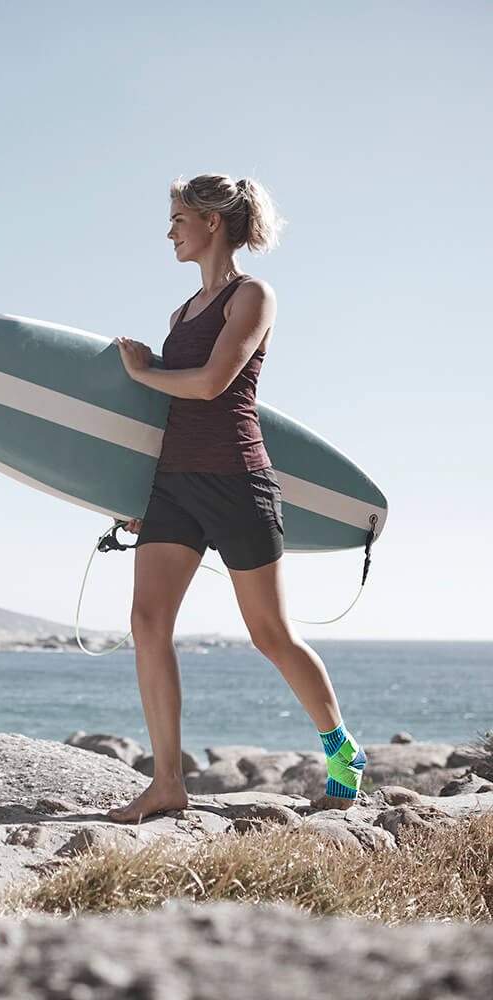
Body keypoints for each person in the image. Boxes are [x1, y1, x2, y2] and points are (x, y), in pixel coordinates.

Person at [108, 173, 365, 823]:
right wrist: (123, 490)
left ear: (212, 223)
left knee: (270, 633)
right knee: (146, 624)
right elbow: (164, 412)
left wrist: (143, 370)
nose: (169, 232)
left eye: (177, 219)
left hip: (236, 478)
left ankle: (343, 754)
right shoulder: (180, 314)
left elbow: (214, 382)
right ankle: (167, 781)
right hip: (174, 483)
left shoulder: (253, 297)